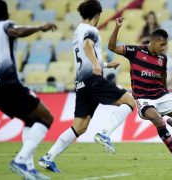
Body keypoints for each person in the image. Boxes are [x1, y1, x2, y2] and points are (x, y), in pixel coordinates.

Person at [38, 0, 135, 172]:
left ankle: (48, 158)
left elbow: (83, 56)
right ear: (97, 14)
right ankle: (104, 134)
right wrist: (97, 65)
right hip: (93, 80)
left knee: (79, 127)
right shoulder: (91, 30)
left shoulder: (78, 30)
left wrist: (104, 64)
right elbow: (87, 46)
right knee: (130, 102)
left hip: (81, 83)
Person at [0, 1, 57, 179]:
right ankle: (20, 160)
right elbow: (17, 31)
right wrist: (40, 27)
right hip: (8, 84)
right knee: (46, 118)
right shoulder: (6, 26)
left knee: (31, 120)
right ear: (7, 14)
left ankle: (28, 168)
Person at [105, 17, 172, 163]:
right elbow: (112, 47)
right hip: (143, 97)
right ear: (153, 41)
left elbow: (163, 75)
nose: (163, 48)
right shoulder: (135, 52)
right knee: (157, 119)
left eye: (165, 45)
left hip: (160, 95)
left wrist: (166, 92)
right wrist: (117, 27)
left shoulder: (163, 58)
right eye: (162, 44)